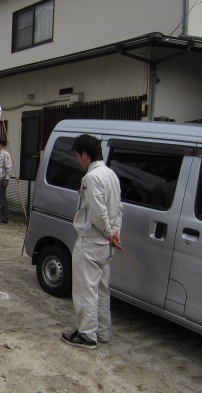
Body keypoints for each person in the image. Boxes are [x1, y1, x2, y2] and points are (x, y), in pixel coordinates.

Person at [61, 134, 123, 350]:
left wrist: (108, 232)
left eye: (78, 156)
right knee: (102, 289)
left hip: (91, 240)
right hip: (105, 244)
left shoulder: (91, 178)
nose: (78, 160)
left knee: (85, 289)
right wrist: (114, 233)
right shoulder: (112, 175)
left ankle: (87, 334)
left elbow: (97, 212)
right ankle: (103, 331)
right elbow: (118, 209)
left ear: (85, 155)